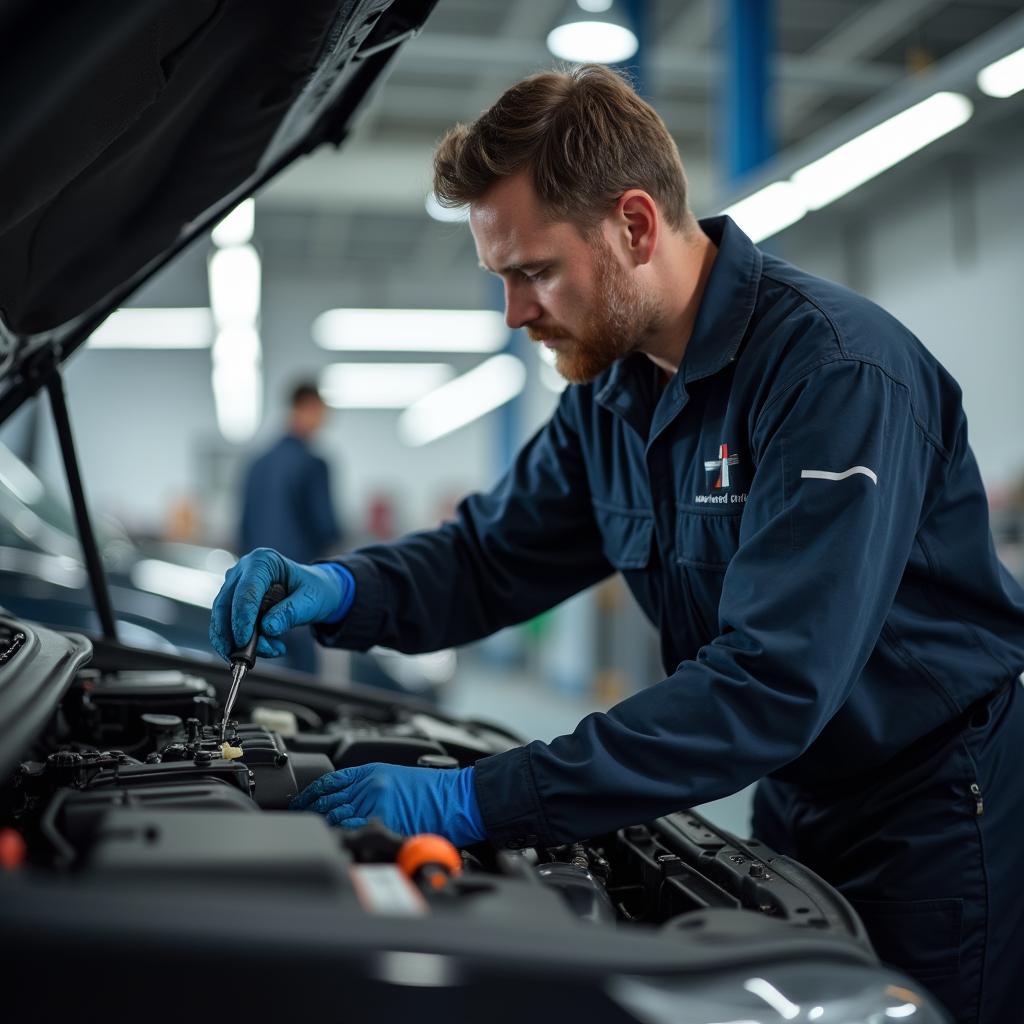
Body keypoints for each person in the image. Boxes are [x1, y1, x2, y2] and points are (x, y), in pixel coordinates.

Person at [211, 66, 1024, 1022]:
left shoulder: (835, 378)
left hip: (932, 810)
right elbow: (489, 557)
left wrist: (477, 800)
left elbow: (770, 683)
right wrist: (342, 588)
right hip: (793, 791)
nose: (516, 314)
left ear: (635, 226)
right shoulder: (611, 395)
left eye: (533, 271)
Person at [236, 381, 341, 672]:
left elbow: (241, 528)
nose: (322, 421)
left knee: (262, 669)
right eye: (320, 412)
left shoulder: (256, 464)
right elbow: (326, 528)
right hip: (298, 583)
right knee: (302, 683)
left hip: (258, 587)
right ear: (306, 409)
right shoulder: (312, 464)